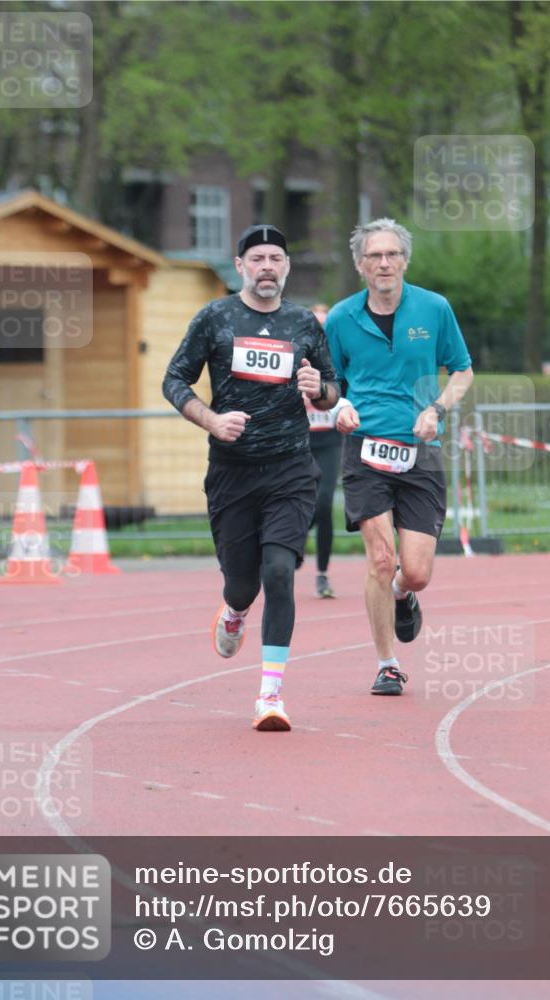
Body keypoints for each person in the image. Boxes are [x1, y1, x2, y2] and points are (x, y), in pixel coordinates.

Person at [163, 225, 339, 732]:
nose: (267, 266)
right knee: (242, 585)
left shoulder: (303, 322)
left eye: (276, 258)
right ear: (240, 266)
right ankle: (235, 611)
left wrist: (320, 389)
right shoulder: (215, 317)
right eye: (257, 258)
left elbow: (330, 386)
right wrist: (212, 420)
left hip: (290, 469)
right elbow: (174, 379)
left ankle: (270, 696)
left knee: (279, 572)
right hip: (232, 474)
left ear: (286, 267)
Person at [325, 218, 473, 697]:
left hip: (421, 450)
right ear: (359, 264)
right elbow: (329, 385)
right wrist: (338, 408)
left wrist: (436, 408)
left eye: (391, 254)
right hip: (365, 450)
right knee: (381, 559)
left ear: (404, 260)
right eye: (374, 256)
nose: (383, 263)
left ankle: (404, 596)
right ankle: (387, 663)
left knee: (415, 572)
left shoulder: (434, 308)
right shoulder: (341, 319)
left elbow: (463, 372)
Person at [304, 303, 346, 599]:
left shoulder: (337, 359)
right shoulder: (296, 357)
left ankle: (321, 573)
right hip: (301, 442)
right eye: (316, 324)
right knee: (301, 504)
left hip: (330, 440)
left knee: (324, 503)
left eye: (325, 324)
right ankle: (290, 543)